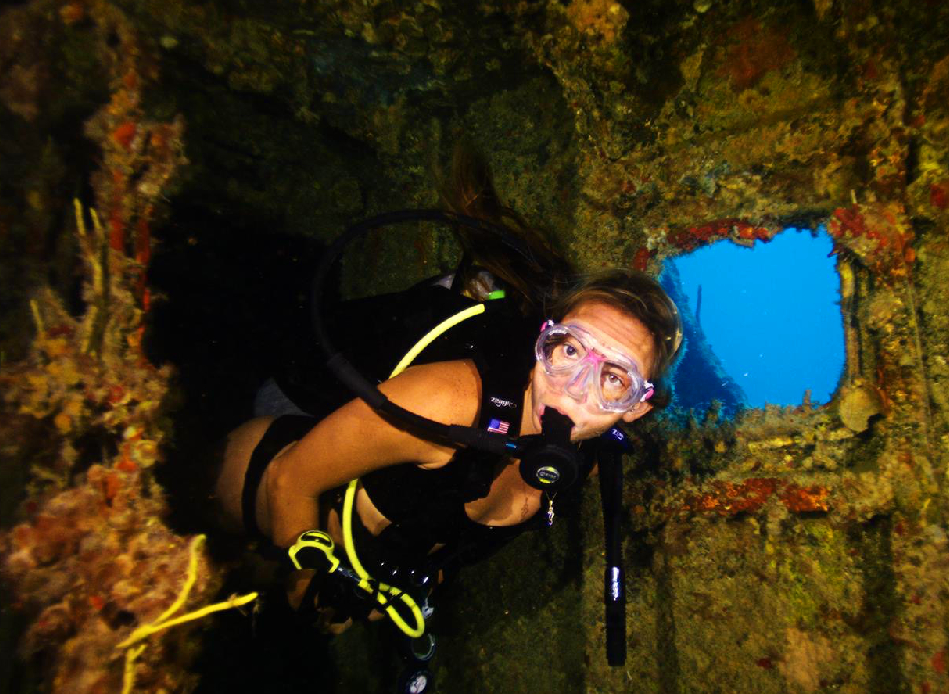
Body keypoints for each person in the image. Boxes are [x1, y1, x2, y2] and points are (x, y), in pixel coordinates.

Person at [211, 149, 683, 632]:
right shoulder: (450, 403)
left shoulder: (586, 458)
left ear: (635, 408)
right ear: (544, 340)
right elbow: (289, 478)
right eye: (569, 351)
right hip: (271, 458)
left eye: (613, 379)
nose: (574, 391)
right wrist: (306, 597)